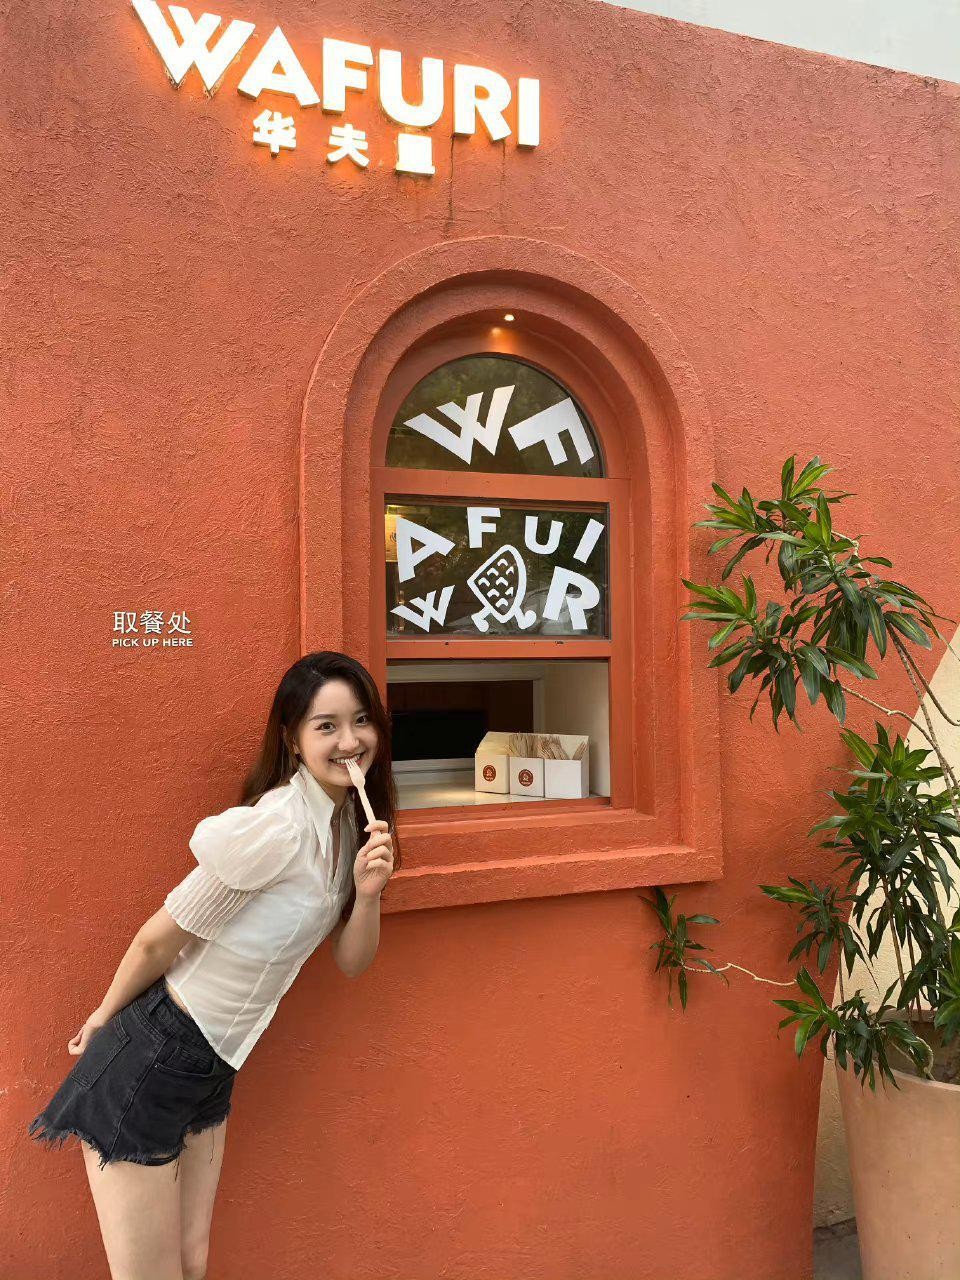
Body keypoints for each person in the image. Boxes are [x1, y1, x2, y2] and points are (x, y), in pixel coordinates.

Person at [27, 651, 398, 1280]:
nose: (349, 741)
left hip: (212, 1064)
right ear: (293, 740)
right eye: (326, 726)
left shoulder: (346, 826)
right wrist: (101, 1016)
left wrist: (367, 895)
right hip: (154, 1054)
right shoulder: (275, 828)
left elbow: (352, 963)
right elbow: (159, 940)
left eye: (361, 720)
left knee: (192, 1262)